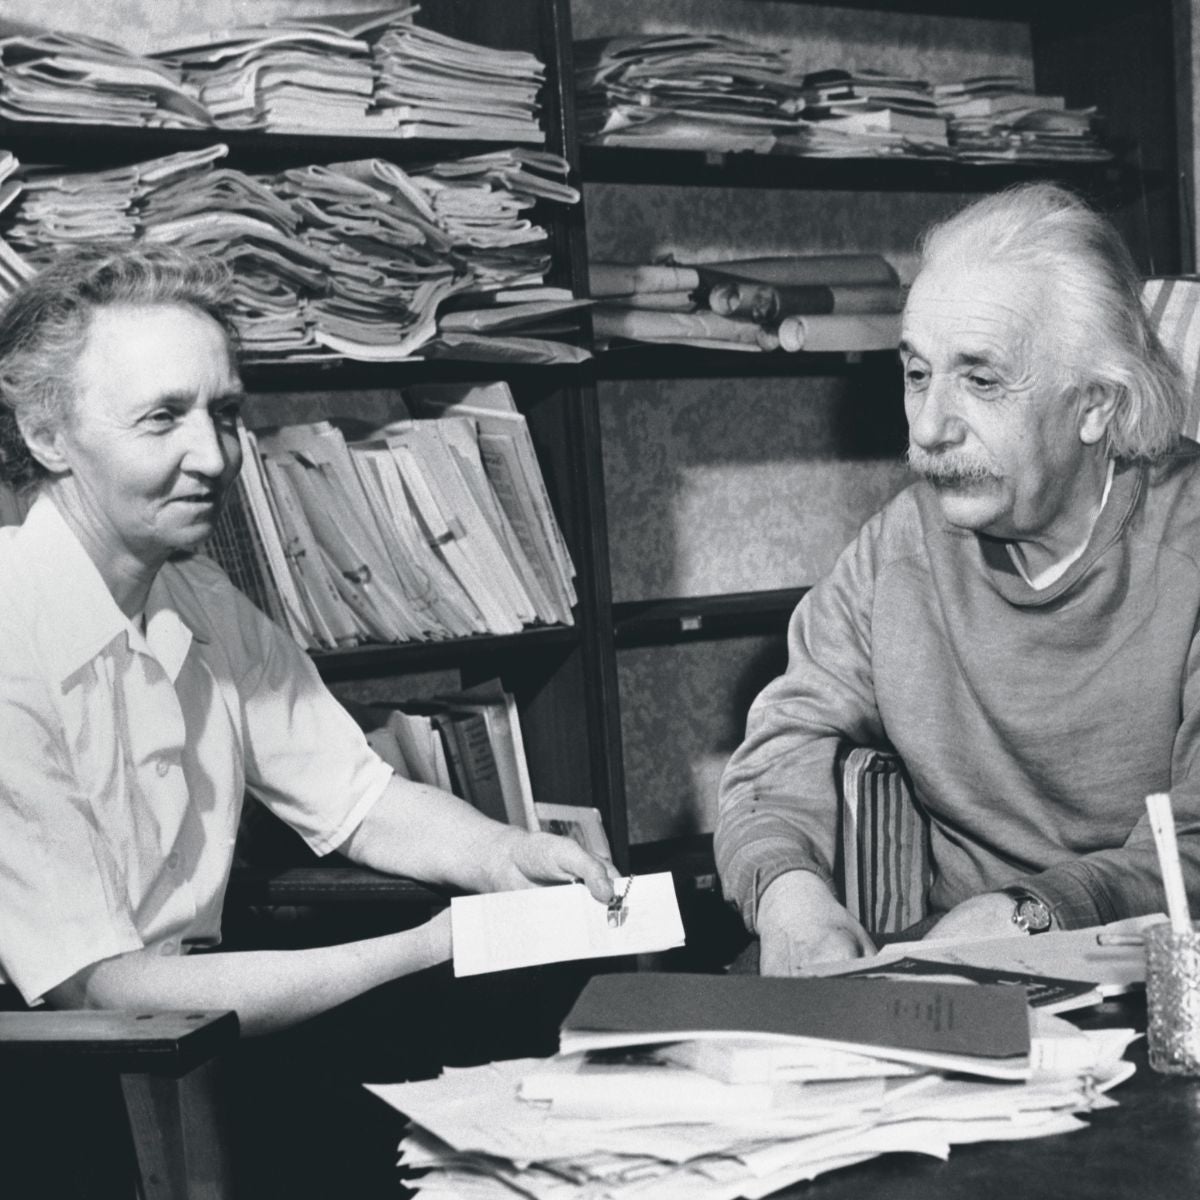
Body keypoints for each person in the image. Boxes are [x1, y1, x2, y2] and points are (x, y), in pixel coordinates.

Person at [0, 242, 615, 1032]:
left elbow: (359, 799)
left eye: (223, 414)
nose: (214, 455)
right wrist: (426, 946)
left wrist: (505, 854)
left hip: (187, 1038)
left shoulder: (198, 597)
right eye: (162, 418)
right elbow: (101, 992)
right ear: (47, 436)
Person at [715, 181, 1200, 977]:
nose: (929, 428)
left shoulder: (1190, 546)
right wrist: (790, 896)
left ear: (1096, 406)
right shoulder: (900, 547)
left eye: (980, 379)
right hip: (948, 971)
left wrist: (1036, 913)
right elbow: (782, 744)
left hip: (1149, 977)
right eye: (916, 374)